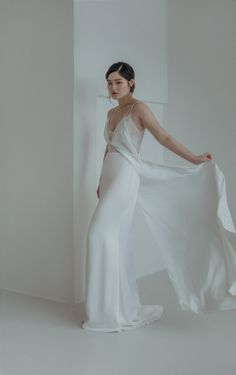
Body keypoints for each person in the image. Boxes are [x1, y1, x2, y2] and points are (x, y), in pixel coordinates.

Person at [82, 62, 236, 333]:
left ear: (131, 82)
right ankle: (114, 308)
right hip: (109, 177)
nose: (113, 87)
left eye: (118, 81)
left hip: (126, 176)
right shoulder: (110, 112)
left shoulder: (139, 109)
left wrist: (195, 158)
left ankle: (110, 311)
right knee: (114, 238)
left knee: (98, 234)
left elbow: (164, 137)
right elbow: (108, 148)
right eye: (109, 82)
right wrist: (98, 180)